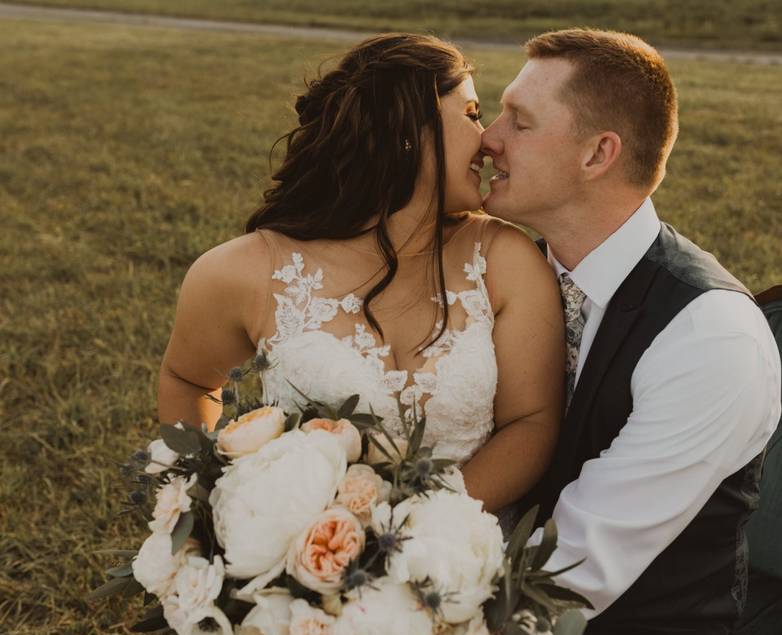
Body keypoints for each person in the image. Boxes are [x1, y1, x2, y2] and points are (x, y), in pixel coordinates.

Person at [157, 33, 565, 514]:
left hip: (461, 556)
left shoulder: (504, 258)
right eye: (472, 114)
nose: (490, 140)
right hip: (304, 563)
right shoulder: (244, 271)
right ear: (408, 129)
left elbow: (531, 423)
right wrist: (210, 500)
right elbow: (188, 379)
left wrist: (424, 528)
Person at [481, 29, 782, 635]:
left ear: (598, 155)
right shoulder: (505, 277)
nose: (488, 138)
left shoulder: (710, 338)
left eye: (520, 121)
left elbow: (561, 578)